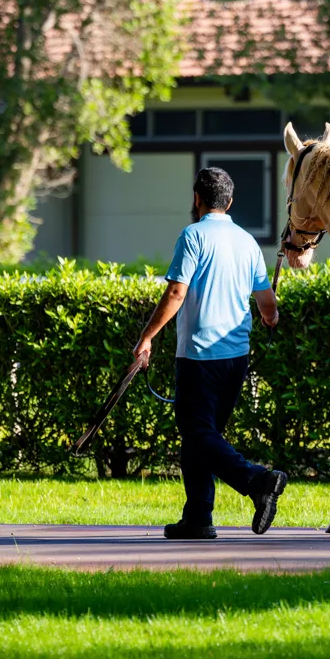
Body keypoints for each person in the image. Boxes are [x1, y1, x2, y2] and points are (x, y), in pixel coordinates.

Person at [133, 167, 286, 540]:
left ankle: (258, 481)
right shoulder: (248, 242)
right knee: (203, 435)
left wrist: (147, 337)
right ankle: (198, 517)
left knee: (198, 434)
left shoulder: (192, 236)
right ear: (229, 202)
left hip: (199, 356)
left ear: (197, 199)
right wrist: (271, 316)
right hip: (236, 358)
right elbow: (266, 302)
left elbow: (175, 293)